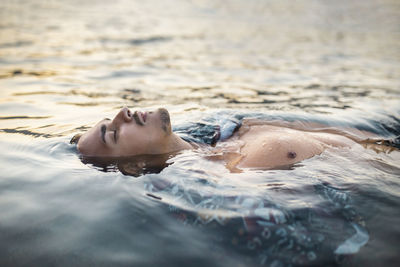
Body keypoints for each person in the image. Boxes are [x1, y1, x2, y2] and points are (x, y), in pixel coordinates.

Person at [71, 106, 385, 172]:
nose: (122, 113)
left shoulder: (236, 131)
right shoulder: (240, 173)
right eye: (113, 133)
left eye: (111, 117)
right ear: (135, 166)